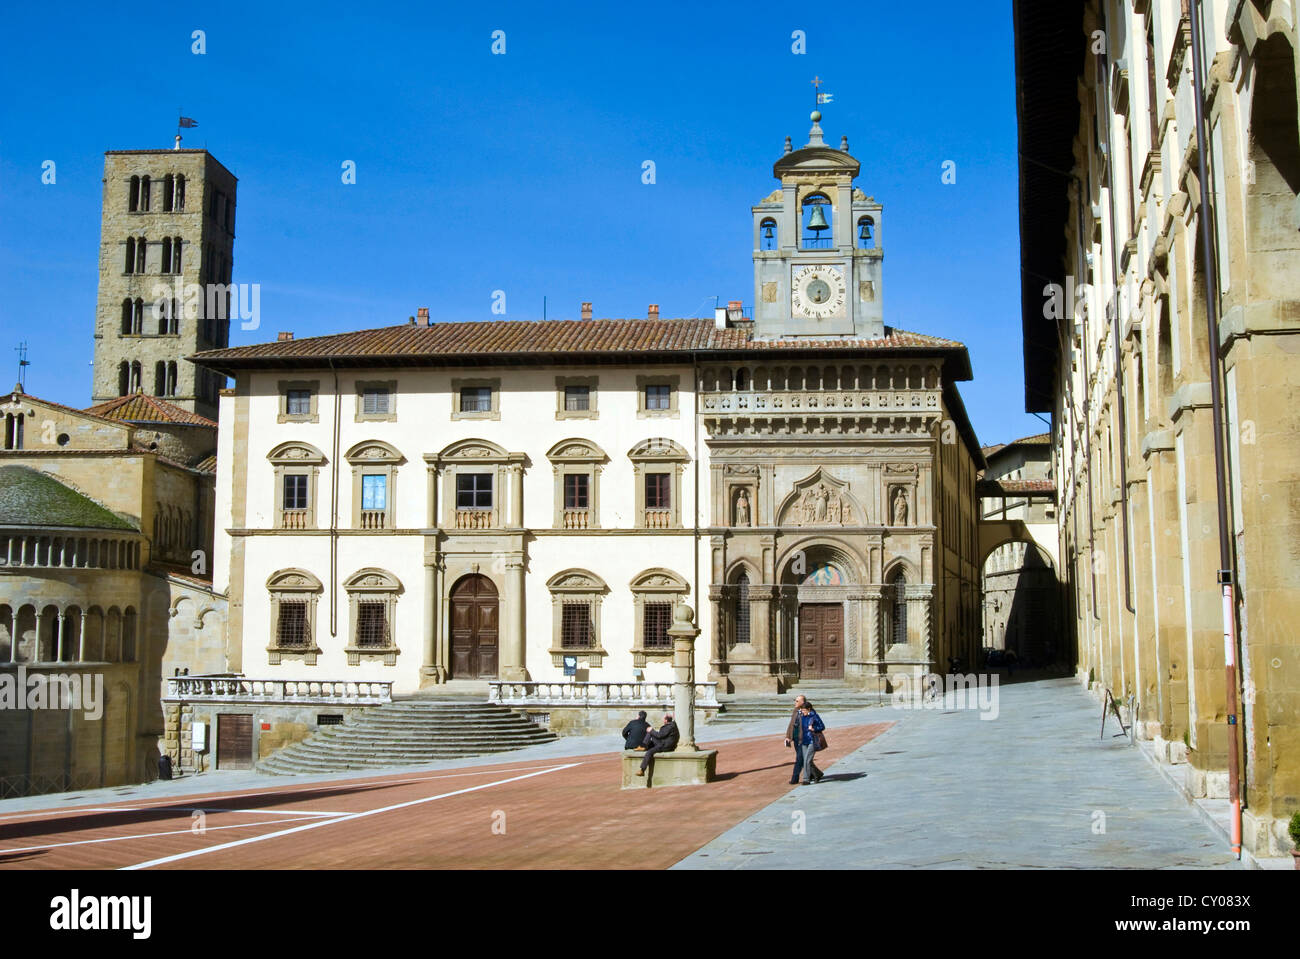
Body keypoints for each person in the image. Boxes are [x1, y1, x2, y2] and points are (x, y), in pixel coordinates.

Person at [797, 702, 826, 785]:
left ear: (809, 709)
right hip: (804, 740)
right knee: (807, 761)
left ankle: (806, 779)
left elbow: (822, 726)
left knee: (807, 760)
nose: (802, 711)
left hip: (813, 740)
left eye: (804, 710)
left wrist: (814, 728)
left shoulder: (814, 716)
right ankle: (818, 774)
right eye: (801, 710)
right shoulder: (802, 717)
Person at [783, 694, 808, 784]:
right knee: (803, 758)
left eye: (797, 701)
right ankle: (815, 774)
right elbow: (791, 724)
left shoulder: (807, 711)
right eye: (795, 700)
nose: (795, 702)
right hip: (796, 738)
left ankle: (794, 778)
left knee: (799, 758)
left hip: (804, 739)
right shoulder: (795, 711)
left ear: (803, 702)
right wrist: (788, 736)